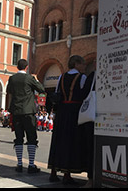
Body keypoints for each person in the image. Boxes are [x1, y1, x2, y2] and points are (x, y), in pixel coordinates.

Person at [48, 55, 92, 185]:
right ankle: (67, 174)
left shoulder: (62, 77)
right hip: (74, 112)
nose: (84, 66)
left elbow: (57, 93)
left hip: (62, 112)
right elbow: (85, 94)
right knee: (71, 142)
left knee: (58, 140)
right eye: (82, 64)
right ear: (77, 64)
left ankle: (54, 171)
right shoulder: (81, 77)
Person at [7, 59, 45, 174]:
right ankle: (31, 164)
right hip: (28, 111)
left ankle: (19, 164)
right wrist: (36, 80)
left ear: (17, 67)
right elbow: (41, 90)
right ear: (27, 67)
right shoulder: (29, 78)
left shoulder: (12, 78)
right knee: (31, 138)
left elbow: (9, 91)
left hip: (16, 111)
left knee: (18, 138)